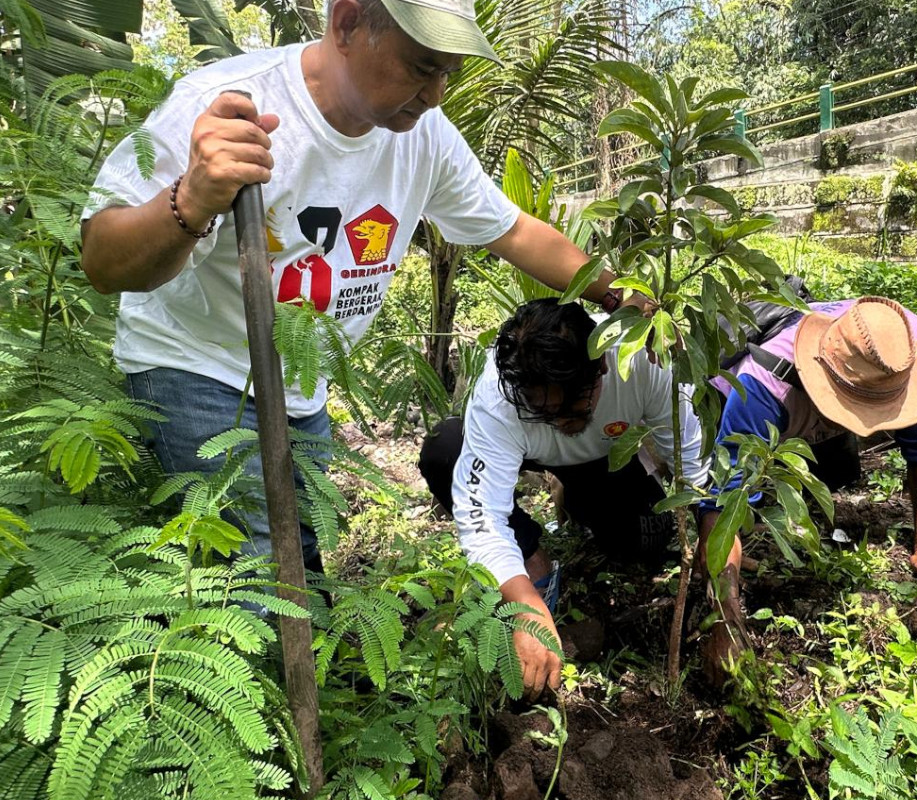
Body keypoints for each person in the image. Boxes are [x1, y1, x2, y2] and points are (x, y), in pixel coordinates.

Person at [78, 0, 629, 573]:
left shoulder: (424, 137)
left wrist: (621, 296)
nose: (436, 93)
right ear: (346, 24)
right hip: (197, 363)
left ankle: (307, 650)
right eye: (422, 67)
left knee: (304, 546)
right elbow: (103, 261)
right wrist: (190, 200)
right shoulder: (231, 107)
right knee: (257, 567)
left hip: (300, 382)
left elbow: (513, 230)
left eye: (449, 73)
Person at [418, 299, 709, 697]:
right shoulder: (499, 398)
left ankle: (576, 500)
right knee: (443, 448)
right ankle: (532, 552)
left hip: (605, 453)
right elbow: (480, 514)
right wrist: (526, 603)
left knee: (645, 542)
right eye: (542, 409)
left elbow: (692, 458)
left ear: (601, 367)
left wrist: (715, 537)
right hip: (528, 452)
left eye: (571, 405)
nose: (558, 421)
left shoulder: (641, 363)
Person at [698, 296, 917, 679]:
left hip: (813, 405)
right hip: (759, 402)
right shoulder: (760, 388)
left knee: (836, 476)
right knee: (745, 498)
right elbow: (723, 502)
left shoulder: (903, 347)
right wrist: (725, 617)